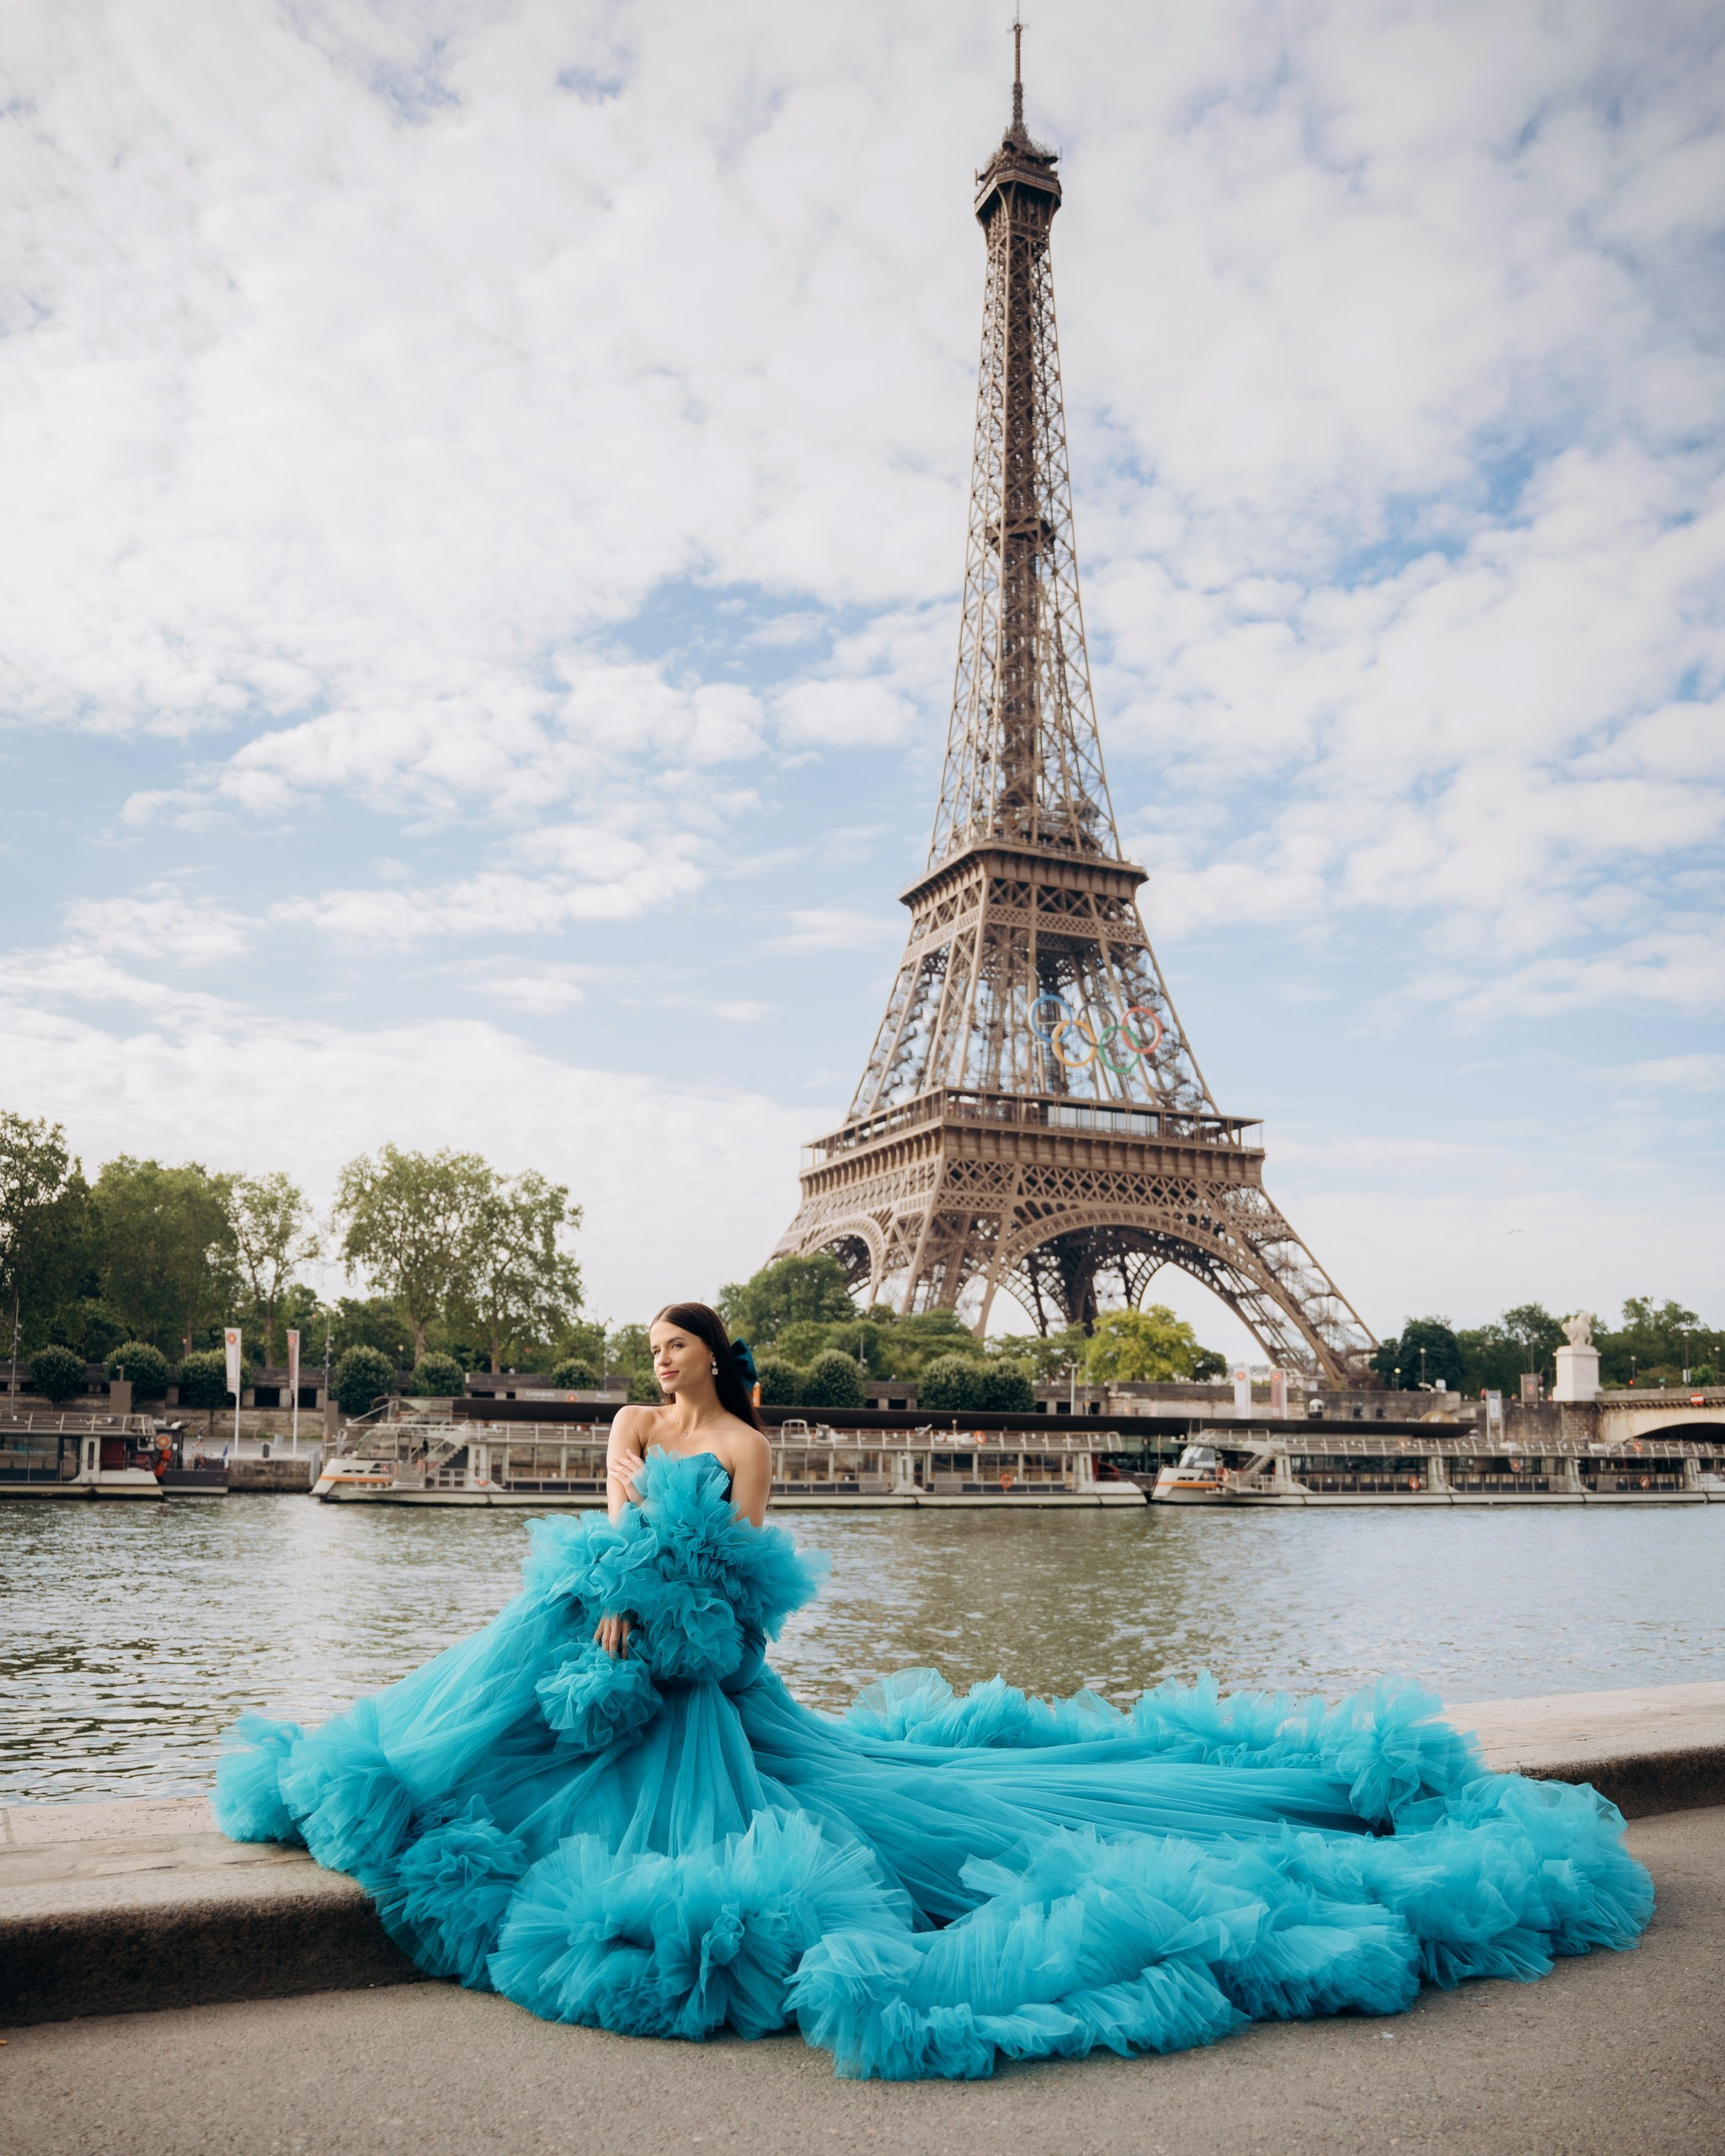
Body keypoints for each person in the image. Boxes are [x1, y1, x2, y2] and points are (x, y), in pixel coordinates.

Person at [216, 1299, 1652, 2081]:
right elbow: (614, 1511)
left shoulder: (748, 1446)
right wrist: (612, 1592)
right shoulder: (636, 1421)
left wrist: (671, 1616)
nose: (658, 1363)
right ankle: (458, 1756)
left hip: (695, 1634)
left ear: (717, 1354)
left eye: (677, 1346)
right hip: (609, 1608)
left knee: (746, 1769)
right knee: (507, 1676)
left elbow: (744, 1566)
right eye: (651, 1348)